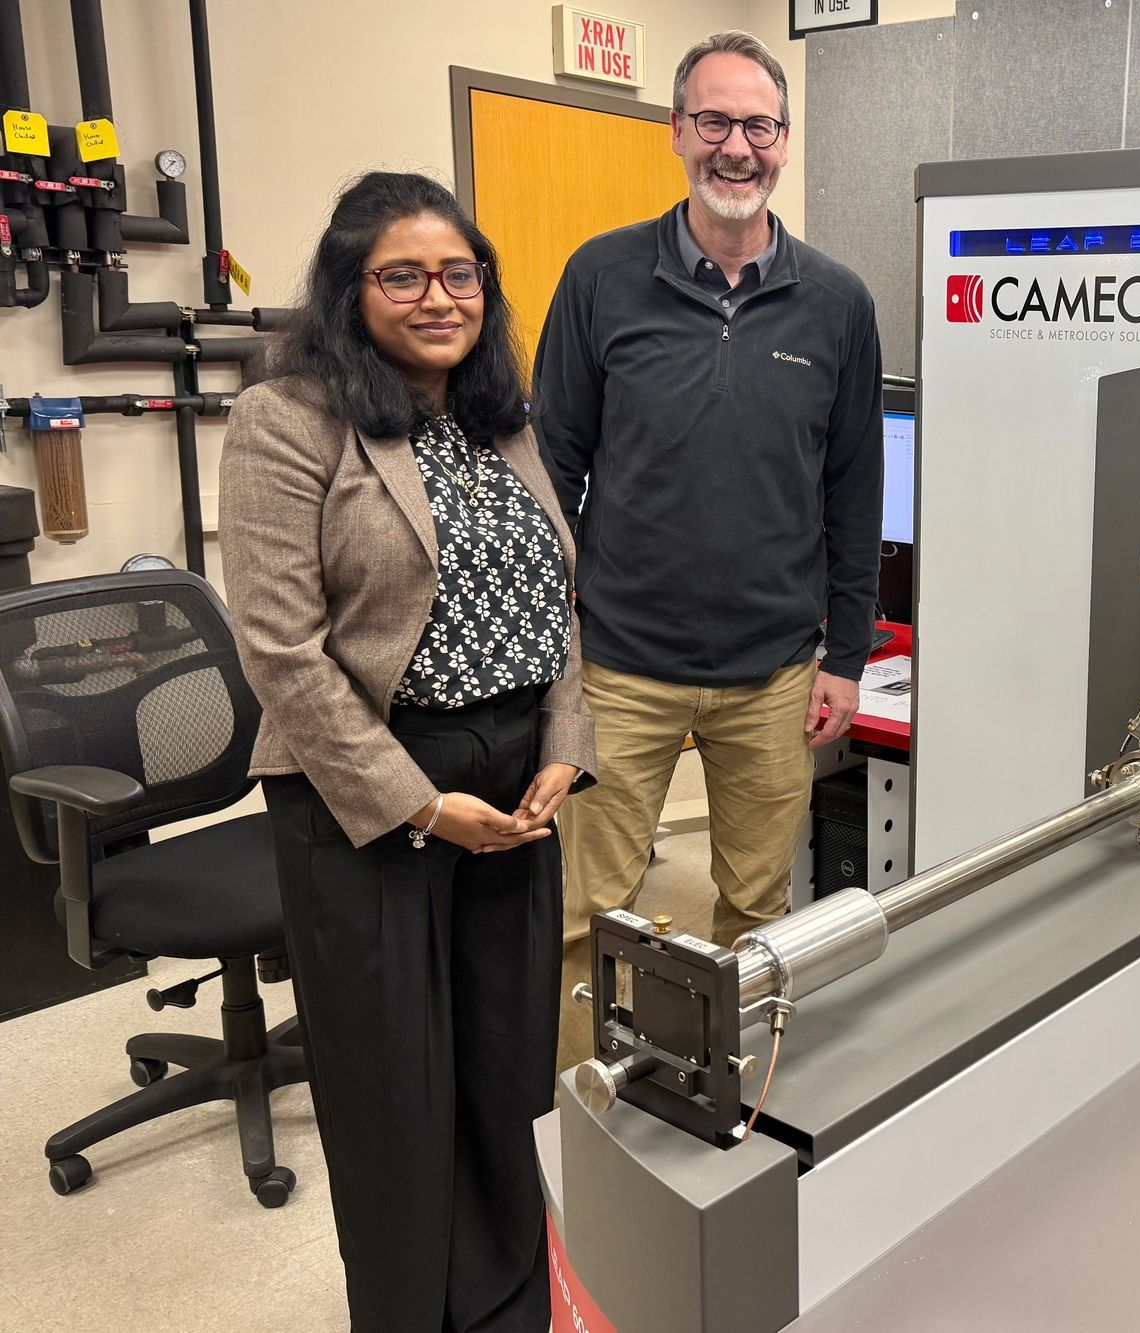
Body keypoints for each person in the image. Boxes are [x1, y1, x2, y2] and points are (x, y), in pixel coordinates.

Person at [220, 171, 595, 1331]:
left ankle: (505, 1304)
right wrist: (421, 804)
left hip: (514, 786)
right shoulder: (285, 420)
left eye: (459, 273)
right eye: (404, 275)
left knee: (507, 1070)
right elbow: (280, 651)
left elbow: (556, 599)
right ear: (351, 288)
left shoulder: (501, 416)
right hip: (366, 791)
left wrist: (564, 742)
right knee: (394, 1092)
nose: (439, 296)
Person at [535, 30, 883, 1072]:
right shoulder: (601, 277)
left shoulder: (838, 302)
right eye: (716, 122)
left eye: (759, 126)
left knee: (758, 911)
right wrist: (554, 640)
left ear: (786, 139)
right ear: (677, 131)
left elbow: (853, 488)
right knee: (585, 915)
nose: (738, 147)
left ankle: (739, 1093)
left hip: (773, 671)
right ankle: (581, 1114)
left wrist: (846, 655)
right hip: (619, 665)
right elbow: (550, 468)